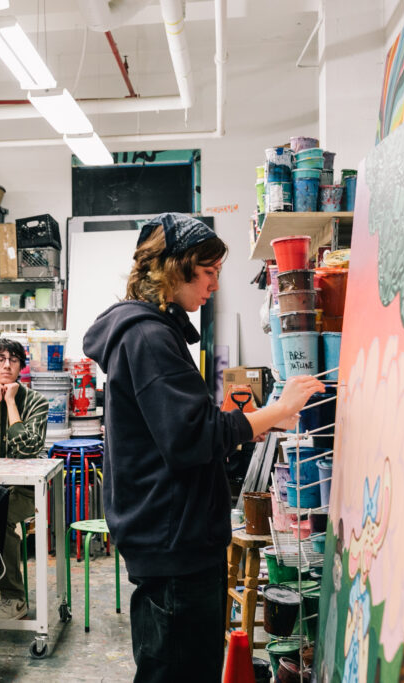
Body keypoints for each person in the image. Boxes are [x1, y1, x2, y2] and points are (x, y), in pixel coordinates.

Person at [82, 213, 323, 683]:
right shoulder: (149, 337)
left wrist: (252, 425)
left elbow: (185, 429)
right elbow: (191, 438)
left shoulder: (153, 333)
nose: (214, 284)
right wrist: (275, 411)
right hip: (175, 545)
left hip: (175, 539)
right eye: (208, 272)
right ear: (174, 268)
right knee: (177, 670)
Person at [0, 338, 48, 619]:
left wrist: (10, 402)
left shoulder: (37, 402)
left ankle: (13, 597)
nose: (7, 364)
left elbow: (27, 450)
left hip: (25, 490)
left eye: (14, 359)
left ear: (21, 366)